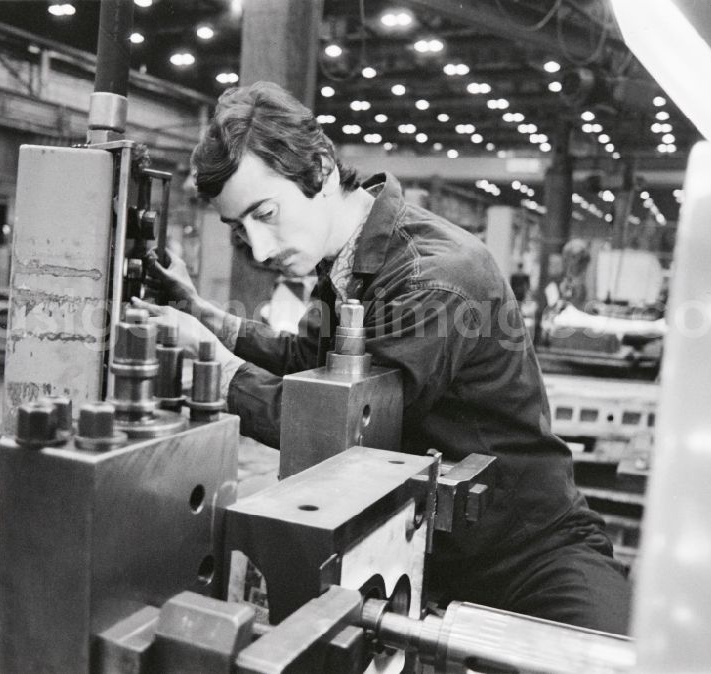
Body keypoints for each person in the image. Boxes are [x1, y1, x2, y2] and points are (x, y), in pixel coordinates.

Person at [133, 81, 631, 634]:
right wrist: (201, 311)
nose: (263, 249)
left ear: (319, 168)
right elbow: (307, 360)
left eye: (266, 213)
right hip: (423, 555)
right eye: (239, 230)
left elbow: (345, 431)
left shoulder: (432, 278)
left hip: (529, 556)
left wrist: (209, 362)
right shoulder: (346, 263)